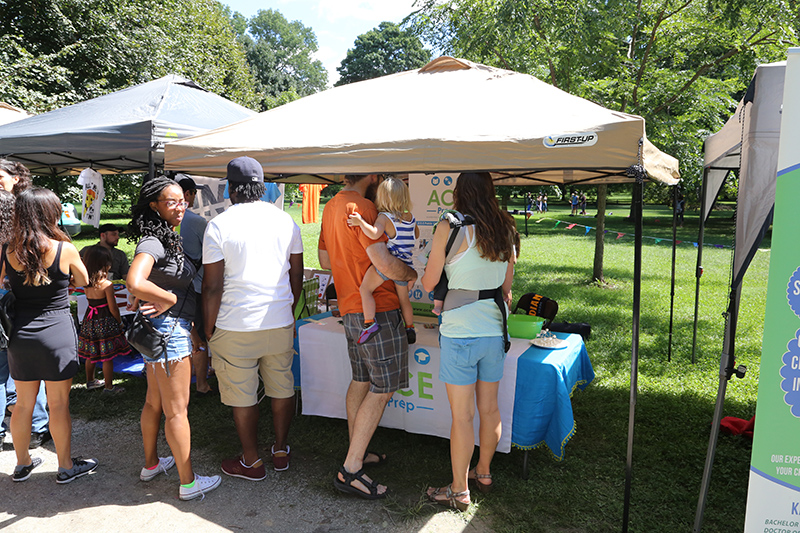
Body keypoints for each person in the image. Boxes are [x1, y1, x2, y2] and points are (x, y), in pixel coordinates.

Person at [203, 156, 303, 480]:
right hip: (279, 319)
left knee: (242, 394)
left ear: (229, 189)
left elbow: (213, 285)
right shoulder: (285, 220)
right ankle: (280, 449)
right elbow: (297, 274)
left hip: (234, 324)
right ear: (262, 187)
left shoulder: (218, 225)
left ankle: (251, 460)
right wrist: (287, 307)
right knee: (282, 386)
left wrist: (208, 328)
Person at [420, 172, 515, 511]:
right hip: (494, 330)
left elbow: (430, 282)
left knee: (462, 416)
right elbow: (507, 287)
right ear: (491, 193)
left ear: (458, 193)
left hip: (460, 333)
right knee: (489, 408)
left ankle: (459, 490)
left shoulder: (451, 226)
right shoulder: (506, 227)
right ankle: (484, 473)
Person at [319, 174, 416, 499]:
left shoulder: (330, 206)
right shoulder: (364, 207)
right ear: (372, 176)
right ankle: (351, 468)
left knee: (361, 381)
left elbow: (323, 259)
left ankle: (356, 451)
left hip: (351, 307)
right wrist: (411, 274)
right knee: (383, 387)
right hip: (381, 309)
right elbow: (384, 262)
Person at [127, 176, 221, 500]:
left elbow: (145, 281)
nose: (180, 206)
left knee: (154, 402)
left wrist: (153, 293)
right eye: (171, 202)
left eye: (182, 200)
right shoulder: (153, 241)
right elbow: (134, 278)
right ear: (154, 206)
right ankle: (189, 483)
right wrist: (165, 299)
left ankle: (151, 464)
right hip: (169, 333)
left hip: (160, 332)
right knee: (177, 411)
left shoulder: (165, 235)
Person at [3, 187, 98, 483]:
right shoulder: (63, 248)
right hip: (56, 331)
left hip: (20, 334)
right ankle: (66, 466)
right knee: (58, 404)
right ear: (50, 213)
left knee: (22, 403)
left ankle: (21, 464)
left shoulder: (8, 248)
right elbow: (84, 282)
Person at [0, 160, 49, 450]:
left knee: (15, 366)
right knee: (22, 367)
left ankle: (32, 425)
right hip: (14, 299)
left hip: (16, 297)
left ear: (16, 178)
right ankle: (36, 426)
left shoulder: (22, 217)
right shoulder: (20, 221)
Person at [346, 176, 418, 345]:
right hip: (405, 265)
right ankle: (409, 327)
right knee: (404, 300)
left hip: (389, 265)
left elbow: (373, 233)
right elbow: (416, 235)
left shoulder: (385, 217)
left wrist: (360, 222)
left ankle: (369, 323)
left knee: (365, 289)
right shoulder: (410, 217)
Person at [77, 245, 131, 394]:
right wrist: (119, 322)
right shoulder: (107, 285)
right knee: (107, 356)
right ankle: (109, 387)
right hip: (105, 320)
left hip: (90, 320)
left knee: (91, 352)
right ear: (106, 264)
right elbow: (113, 308)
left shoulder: (85, 282)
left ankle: (90, 381)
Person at [177, 176, 213, 396]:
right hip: (196, 288)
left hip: (168, 288)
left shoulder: (159, 221)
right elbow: (210, 257)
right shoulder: (198, 222)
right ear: (188, 194)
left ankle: (181, 382)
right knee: (198, 335)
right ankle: (201, 383)